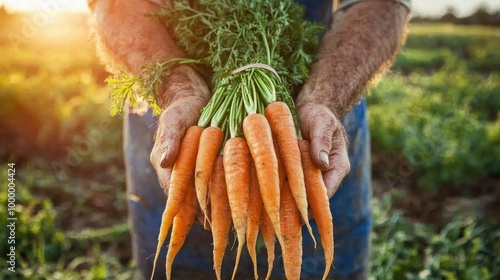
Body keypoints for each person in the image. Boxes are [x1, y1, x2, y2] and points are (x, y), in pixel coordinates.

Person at [88, 0, 410, 279]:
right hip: (182, 137)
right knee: (178, 251)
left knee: (315, 243)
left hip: (314, 141)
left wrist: (325, 99)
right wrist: (176, 89)